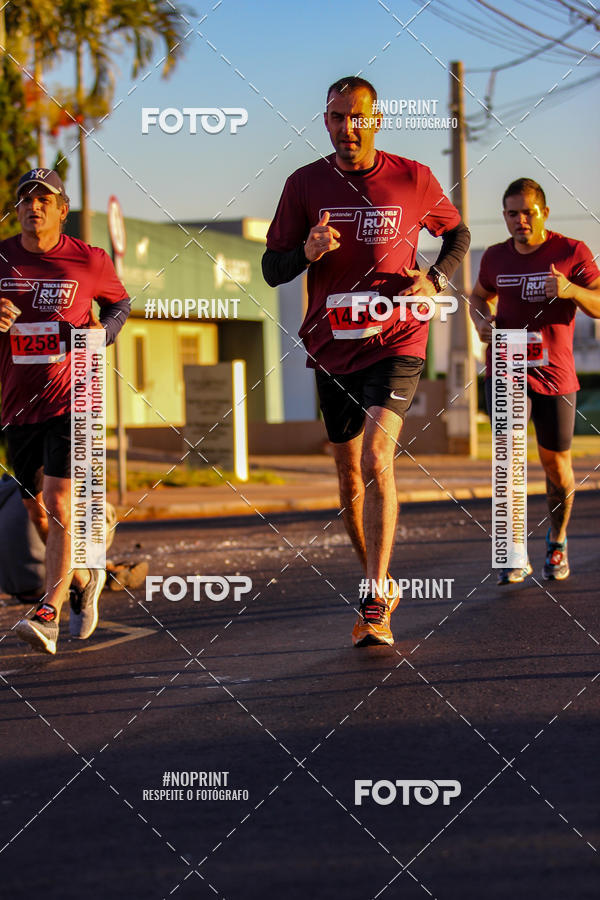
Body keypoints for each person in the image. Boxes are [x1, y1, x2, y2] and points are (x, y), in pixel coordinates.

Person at [263, 77, 470, 646]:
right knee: (348, 471)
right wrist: (304, 253)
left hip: (397, 336)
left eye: (356, 117)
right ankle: (374, 575)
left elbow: (457, 234)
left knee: (380, 454)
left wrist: (434, 280)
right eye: (335, 118)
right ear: (325, 122)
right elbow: (271, 268)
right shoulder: (303, 185)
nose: (346, 128)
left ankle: (375, 598)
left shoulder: (413, 177)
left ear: (376, 119)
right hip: (332, 345)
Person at [0, 168, 130, 654]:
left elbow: (119, 305)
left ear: (61, 209)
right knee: (38, 510)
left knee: (57, 502)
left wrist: (103, 334)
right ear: (17, 210)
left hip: (73, 396)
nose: (33, 207)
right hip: (16, 403)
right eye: (25, 200)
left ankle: (49, 613)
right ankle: (82, 578)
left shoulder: (88, 260)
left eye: (43, 199)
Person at [469, 177, 600, 584]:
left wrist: (570, 289)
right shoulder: (493, 257)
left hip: (555, 374)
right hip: (506, 367)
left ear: (543, 212)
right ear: (504, 216)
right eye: (512, 213)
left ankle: (557, 541)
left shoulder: (571, 252)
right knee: (508, 461)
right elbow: (478, 296)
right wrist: (479, 322)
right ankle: (513, 551)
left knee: (556, 466)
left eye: (528, 212)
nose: (520, 220)